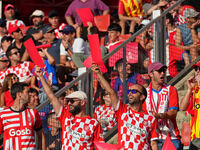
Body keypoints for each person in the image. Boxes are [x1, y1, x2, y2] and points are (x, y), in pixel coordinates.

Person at [35, 66, 104, 149]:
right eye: (68, 101)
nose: (69, 104)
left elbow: (100, 147)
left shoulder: (93, 123)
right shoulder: (66, 116)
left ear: (82, 102)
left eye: (72, 101)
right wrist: (41, 77)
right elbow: (51, 96)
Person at [91, 63, 158, 150]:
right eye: (129, 91)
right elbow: (111, 92)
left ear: (142, 97)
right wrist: (99, 74)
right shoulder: (123, 110)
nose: (130, 93)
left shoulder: (150, 118)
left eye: (134, 91)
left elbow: (153, 144)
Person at [143, 62, 181, 150]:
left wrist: (160, 115)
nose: (163, 73)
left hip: (171, 137)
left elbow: (173, 113)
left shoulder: (171, 89)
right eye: (159, 71)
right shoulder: (144, 93)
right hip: (152, 138)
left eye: (164, 70)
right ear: (151, 74)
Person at [0, 82, 45, 149]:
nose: (30, 94)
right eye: (27, 92)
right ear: (19, 94)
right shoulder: (3, 115)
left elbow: (41, 135)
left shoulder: (33, 113)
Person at [180, 61, 200, 149]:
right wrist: (189, 89)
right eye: (196, 69)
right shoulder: (195, 90)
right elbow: (182, 107)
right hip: (195, 138)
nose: (198, 71)